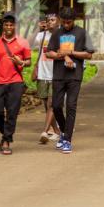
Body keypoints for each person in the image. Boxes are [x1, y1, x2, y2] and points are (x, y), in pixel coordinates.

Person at [46, 7, 94, 154]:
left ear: (74, 20)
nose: (66, 25)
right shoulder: (56, 33)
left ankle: (67, 140)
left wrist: (71, 52)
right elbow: (49, 52)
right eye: (64, 22)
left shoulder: (82, 33)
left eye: (69, 22)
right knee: (56, 105)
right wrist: (60, 56)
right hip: (59, 75)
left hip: (74, 76)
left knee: (71, 106)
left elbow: (89, 54)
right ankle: (64, 132)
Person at [0, 12, 32, 155]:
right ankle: (6, 133)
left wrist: (21, 62)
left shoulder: (23, 42)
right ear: (3, 26)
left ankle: (6, 141)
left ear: (15, 26)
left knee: (12, 113)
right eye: (6, 25)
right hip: (0, 82)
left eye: (11, 25)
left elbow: (29, 62)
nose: (9, 27)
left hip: (16, 82)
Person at [32, 13, 60, 144]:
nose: (50, 22)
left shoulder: (61, 36)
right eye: (48, 20)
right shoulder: (42, 35)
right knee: (46, 105)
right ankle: (58, 132)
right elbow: (29, 43)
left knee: (51, 104)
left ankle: (45, 131)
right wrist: (37, 29)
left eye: (53, 20)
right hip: (43, 74)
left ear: (58, 22)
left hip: (56, 75)